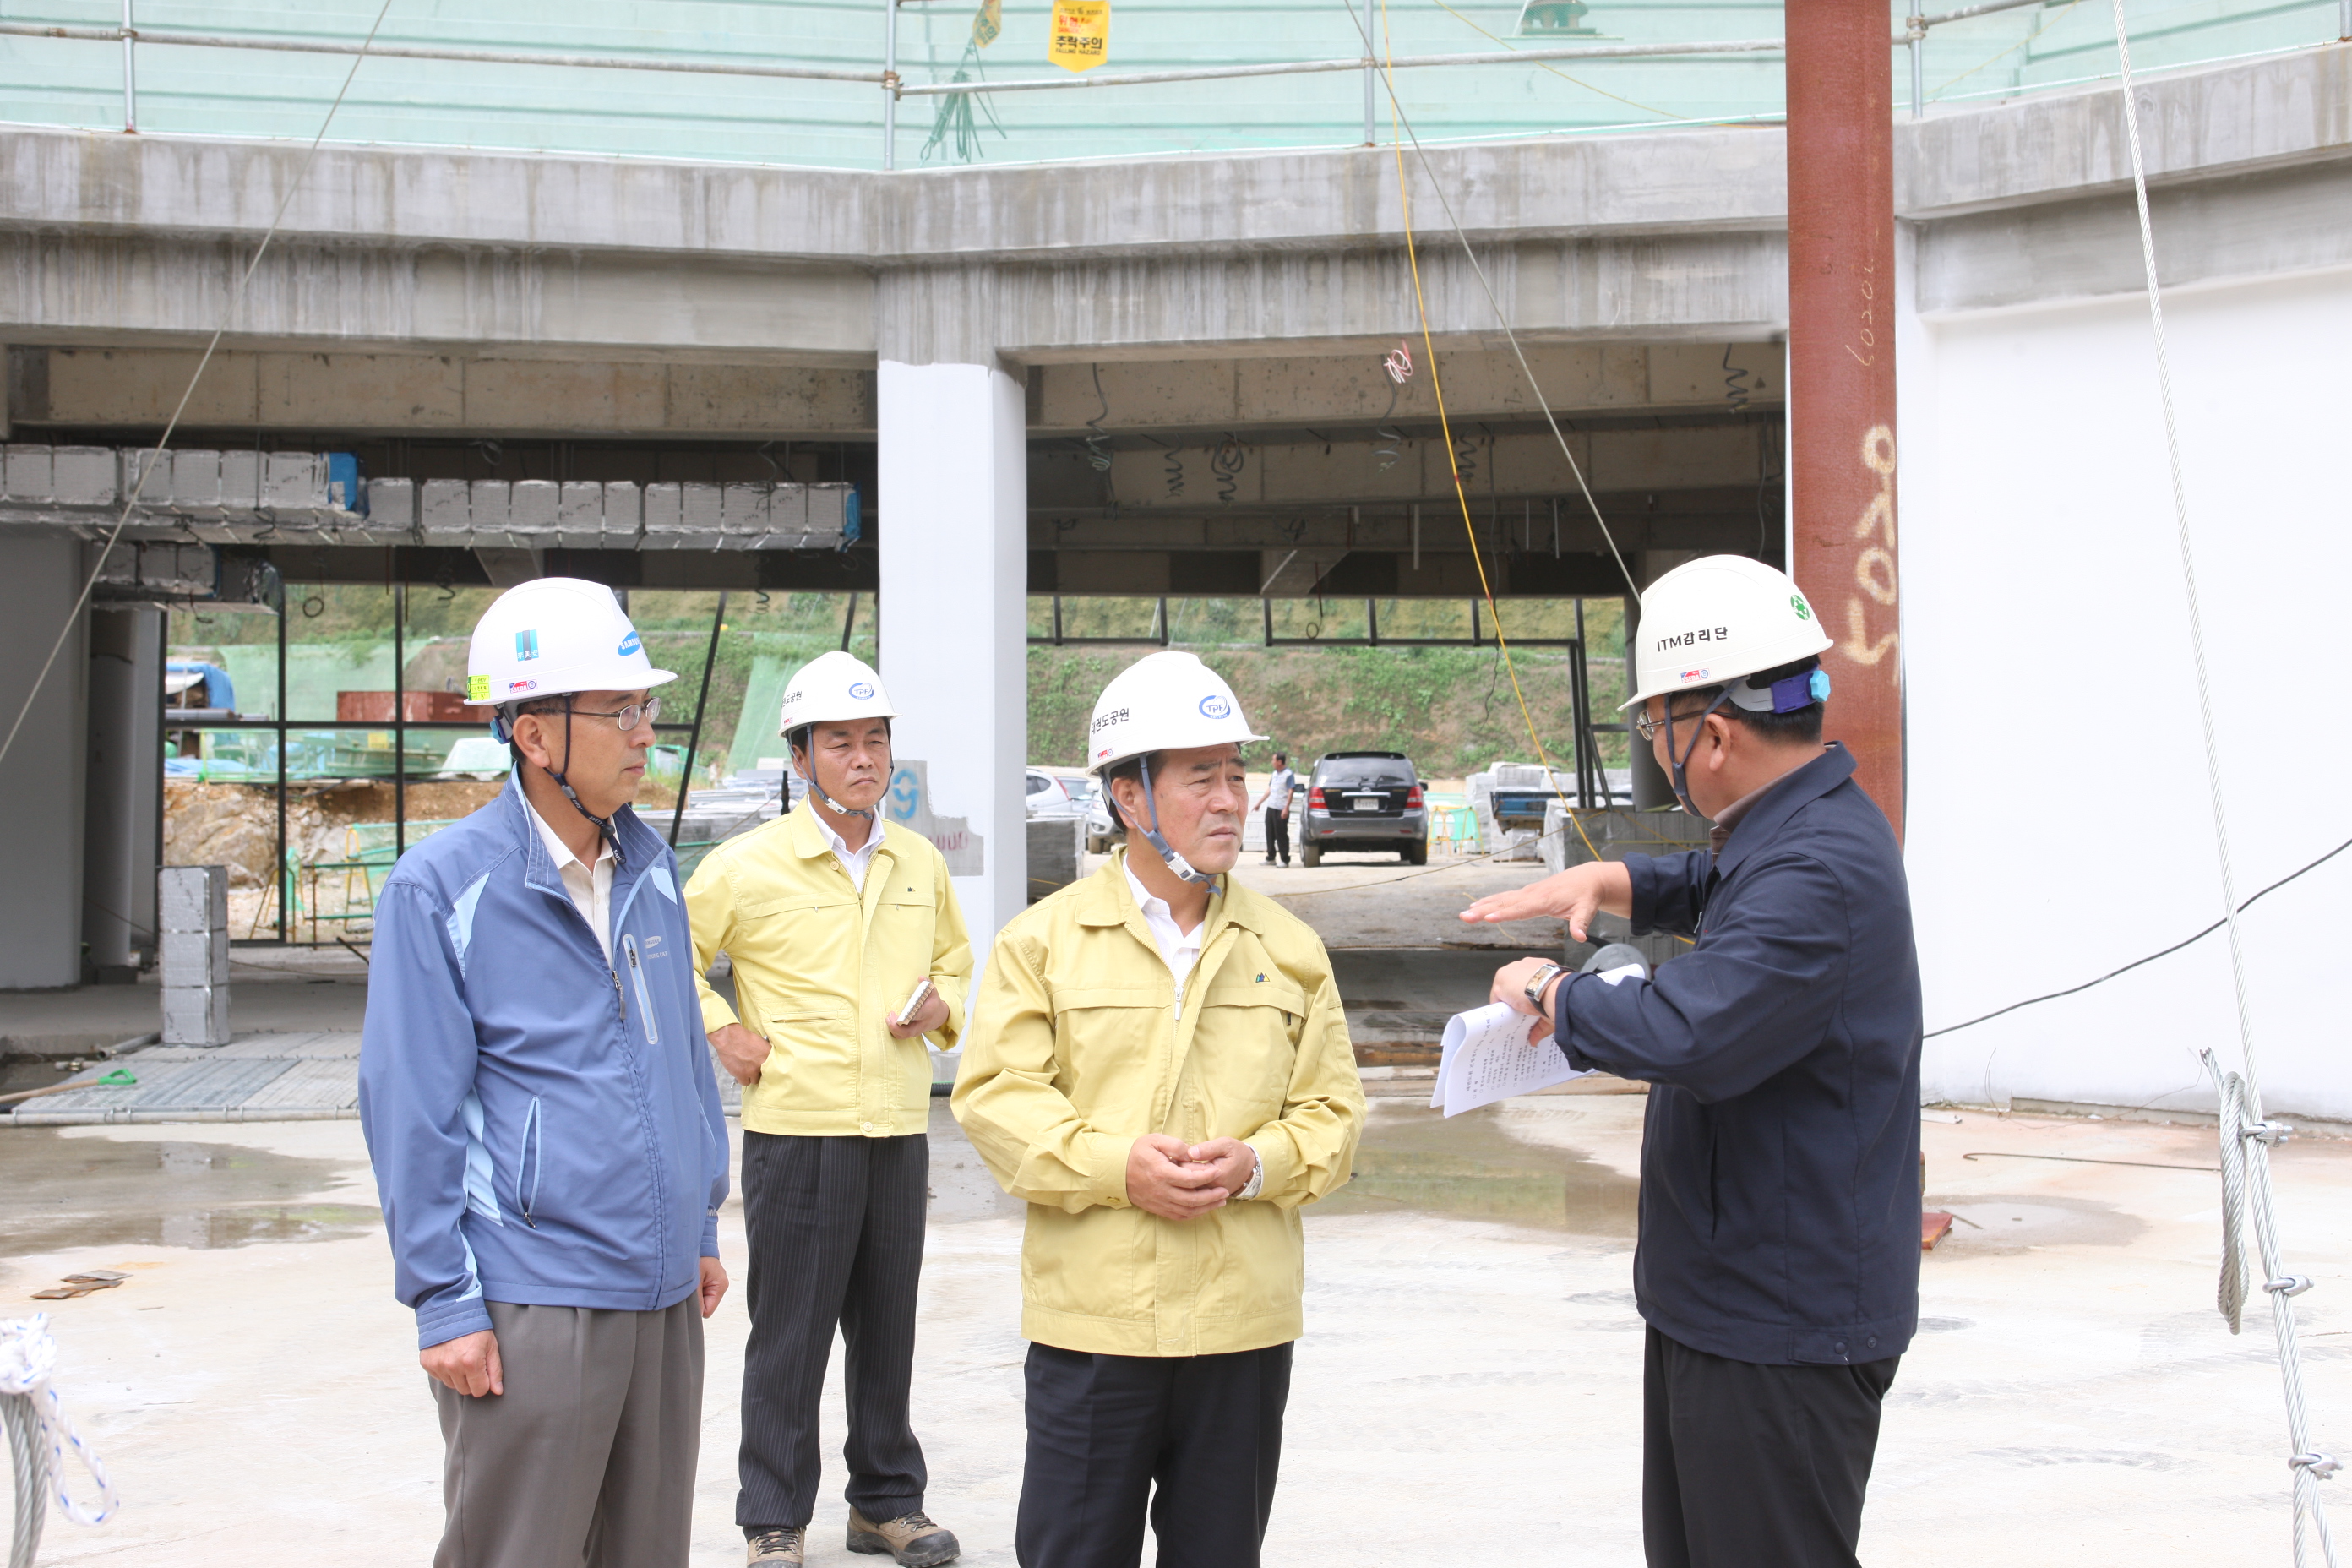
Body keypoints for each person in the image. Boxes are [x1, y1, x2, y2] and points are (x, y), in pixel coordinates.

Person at [1462, 554, 1922, 1568]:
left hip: (1777, 1322)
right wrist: (1617, 878)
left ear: (1711, 732)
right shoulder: (1799, 828)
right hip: (1733, 1297)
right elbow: (1722, 883)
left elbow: (1690, 1032)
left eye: (1657, 727)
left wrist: (1551, 991)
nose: (1660, 752)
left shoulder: (1817, 866)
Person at [953, 651, 1364, 1568]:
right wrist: (1117, 1168)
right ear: (1129, 795)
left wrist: (1259, 1164)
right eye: (1199, 777)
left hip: (1240, 1327)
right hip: (1094, 1324)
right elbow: (998, 1101)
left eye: (1235, 774)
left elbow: (1334, 1114)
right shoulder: (1042, 942)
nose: (1229, 800)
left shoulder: (1289, 949)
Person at [360, 577, 731, 1568]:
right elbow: (412, 1109)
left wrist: (698, 1219)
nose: (644, 732)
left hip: (663, 1294)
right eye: (618, 710)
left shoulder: (653, 871)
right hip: (534, 1297)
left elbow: (683, 1061)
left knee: (647, 1551)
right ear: (533, 733)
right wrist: (443, 1298)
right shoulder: (441, 888)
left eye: (645, 706)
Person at [685, 651, 972, 1568]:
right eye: (839, 741)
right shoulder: (747, 865)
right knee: (791, 1336)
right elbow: (662, 954)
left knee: (887, 1329)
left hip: (897, 1128)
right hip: (798, 1133)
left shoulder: (917, 860)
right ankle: (773, 1514)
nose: (862, 757)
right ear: (801, 757)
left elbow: (957, 961)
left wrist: (941, 1005)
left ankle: (886, 1502)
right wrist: (722, 1029)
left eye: (875, 739)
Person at [1251, 751, 1297, 867]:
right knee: (1270, 833)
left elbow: (1291, 791)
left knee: (1281, 834)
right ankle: (1271, 857)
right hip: (1271, 807)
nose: (1272, 762)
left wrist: (1286, 808)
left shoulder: (1288, 774)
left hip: (1281, 808)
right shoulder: (1275, 774)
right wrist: (1259, 803)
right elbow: (1270, 790)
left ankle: (1285, 859)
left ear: (1280, 761)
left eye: (1274, 760)